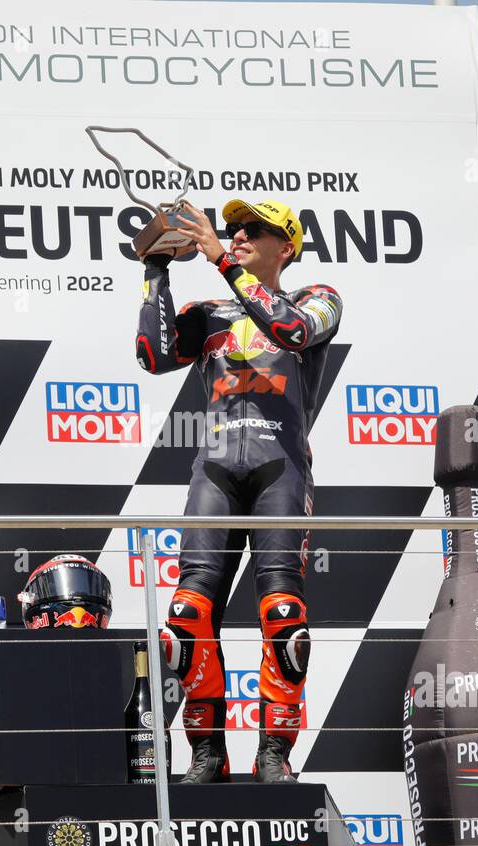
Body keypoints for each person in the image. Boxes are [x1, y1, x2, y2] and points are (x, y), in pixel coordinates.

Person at [135, 197, 342, 783]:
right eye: (235, 229)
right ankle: (206, 750)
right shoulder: (212, 312)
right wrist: (155, 271)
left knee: (282, 613)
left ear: (288, 246)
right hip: (216, 470)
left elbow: (290, 331)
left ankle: (274, 752)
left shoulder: (318, 299)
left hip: (282, 469)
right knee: (187, 611)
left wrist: (222, 258)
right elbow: (151, 356)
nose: (240, 234)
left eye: (256, 229)